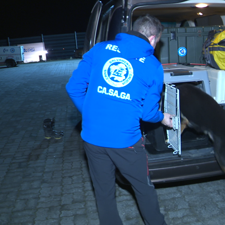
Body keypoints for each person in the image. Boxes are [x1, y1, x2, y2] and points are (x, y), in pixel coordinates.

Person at [66, 14, 173, 225]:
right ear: (152, 39)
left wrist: (89, 114)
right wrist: (163, 118)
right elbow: (147, 113)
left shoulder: (99, 49)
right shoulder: (153, 66)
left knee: (103, 191)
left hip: (91, 138)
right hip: (126, 142)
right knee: (143, 188)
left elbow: (73, 87)